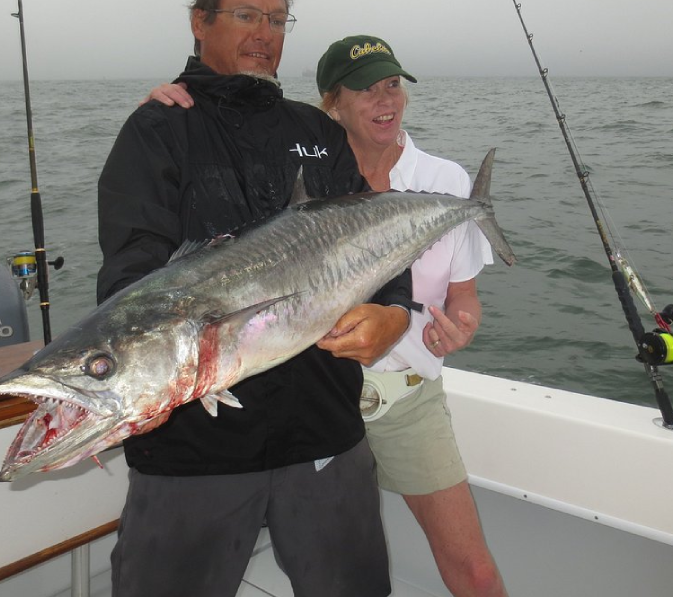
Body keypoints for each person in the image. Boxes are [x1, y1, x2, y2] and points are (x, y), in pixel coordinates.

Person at [149, 34, 509, 597]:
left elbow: (464, 294)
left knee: (476, 572)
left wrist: (461, 324)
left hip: (408, 394)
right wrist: (177, 104)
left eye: (392, 84)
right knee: (335, 569)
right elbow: (217, 212)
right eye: (365, 89)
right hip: (318, 402)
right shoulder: (297, 172)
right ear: (330, 102)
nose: (385, 99)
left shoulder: (443, 181)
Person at [97, 0, 412, 597]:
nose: (264, 33)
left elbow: (374, 237)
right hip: (192, 448)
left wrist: (395, 314)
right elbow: (131, 266)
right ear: (199, 22)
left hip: (325, 436)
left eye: (276, 19)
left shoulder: (317, 131)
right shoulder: (158, 128)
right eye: (245, 15)